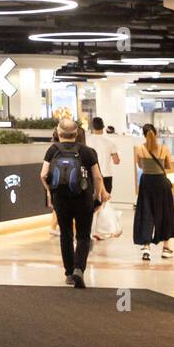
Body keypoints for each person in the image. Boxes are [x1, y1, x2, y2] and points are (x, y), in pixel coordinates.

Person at [41, 117, 109, 289]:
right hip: (83, 199)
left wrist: (49, 192)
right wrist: (97, 195)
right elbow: (98, 177)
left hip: (61, 199)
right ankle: (79, 269)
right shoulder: (87, 151)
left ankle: (69, 273)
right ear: (77, 132)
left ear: (58, 132)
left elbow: (43, 175)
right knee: (83, 236)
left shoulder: (52, 150)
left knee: (65, 235)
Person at [132, 123, 174, 262]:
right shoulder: (164, 148)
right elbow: (168, 165)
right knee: (165, 213)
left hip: (146, 183)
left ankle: (146, 248)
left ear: (144, 134)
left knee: (146, 213)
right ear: (156, 133)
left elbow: (140, 165)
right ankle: (166, 248)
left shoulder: (139, 148)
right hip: (161, 183)